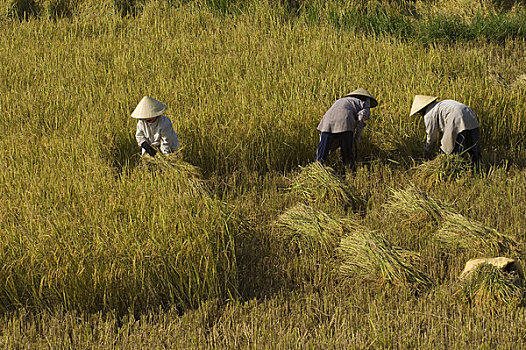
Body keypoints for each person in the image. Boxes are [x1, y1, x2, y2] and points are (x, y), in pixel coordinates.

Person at [409, 95, 481, 166]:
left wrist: (427, 151)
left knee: (453, 153)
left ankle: (455, 171)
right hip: (470, 114)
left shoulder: (429, 114)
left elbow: (431, 137)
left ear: (422, 109)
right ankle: (479, 170)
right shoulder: (441, 105)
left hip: (456, 118)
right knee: (474, 150)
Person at [316, 88, 378, 168]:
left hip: (327, 121)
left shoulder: (341, 100)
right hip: (345, 121)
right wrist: (357, 137)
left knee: (323, 150)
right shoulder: (364, 104)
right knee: (347, 152)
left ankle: (317, 168)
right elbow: (361, 119)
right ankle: (349, 170)